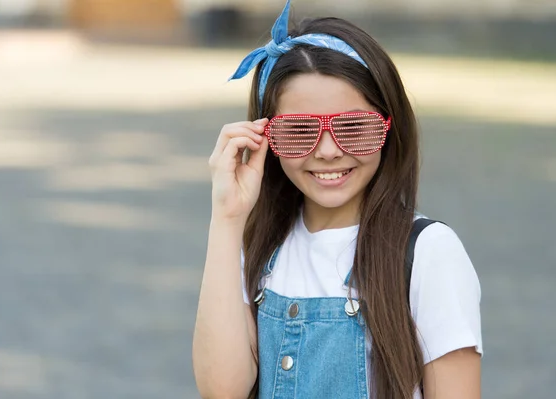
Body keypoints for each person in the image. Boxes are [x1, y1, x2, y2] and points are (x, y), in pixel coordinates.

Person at [192, 1, 482, 398]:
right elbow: (221, 391)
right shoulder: (258, 247)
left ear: (388, 127)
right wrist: (227, 219)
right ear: (266, 139)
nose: (327, 150)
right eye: (298, 131)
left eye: (353, 128)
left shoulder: (428, 253)